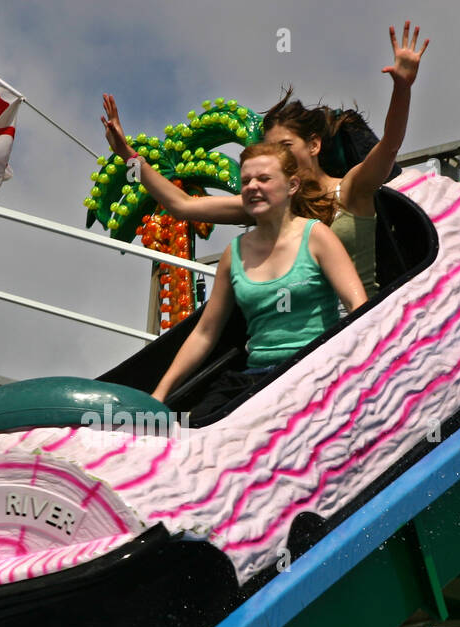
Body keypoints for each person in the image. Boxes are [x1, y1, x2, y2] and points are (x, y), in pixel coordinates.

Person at [103, 22, 429, 299]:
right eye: (273, 150)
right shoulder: (275, 206)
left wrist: (403, 88)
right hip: (304, 342)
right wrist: (129, 156)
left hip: (357, 325)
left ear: (314, 145)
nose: (279, 157)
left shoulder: (351, 189)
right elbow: (183, 206)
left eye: (287, 145)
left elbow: (389, 145)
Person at [150, 143, 367, 421]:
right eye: (246, 181)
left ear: (291, 186)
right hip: (255, 378)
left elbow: (357, 305)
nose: (253, 186)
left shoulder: (316, 236)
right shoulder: (234, 253)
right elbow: (205, 332)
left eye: (264, 179)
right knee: (198, 424)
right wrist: (160, 394)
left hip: (311, 369)